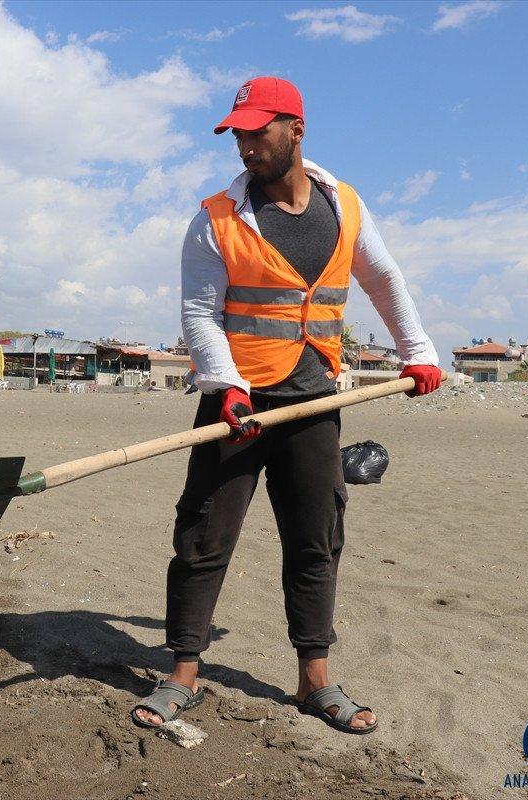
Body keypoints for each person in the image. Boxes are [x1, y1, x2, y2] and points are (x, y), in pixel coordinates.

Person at [131, 77, 443, 735]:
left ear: (295, 129)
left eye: (257, 131)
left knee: (316, 539)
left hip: (313, 403)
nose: (245, 145)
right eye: (237, 133)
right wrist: (226, 383)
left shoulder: (345, 205)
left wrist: (418, 351)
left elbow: (383, 279)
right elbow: (198, 311)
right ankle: (182, 676)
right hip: (236, 407)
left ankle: (315, 682)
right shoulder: (216, 217)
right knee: (203, 538)